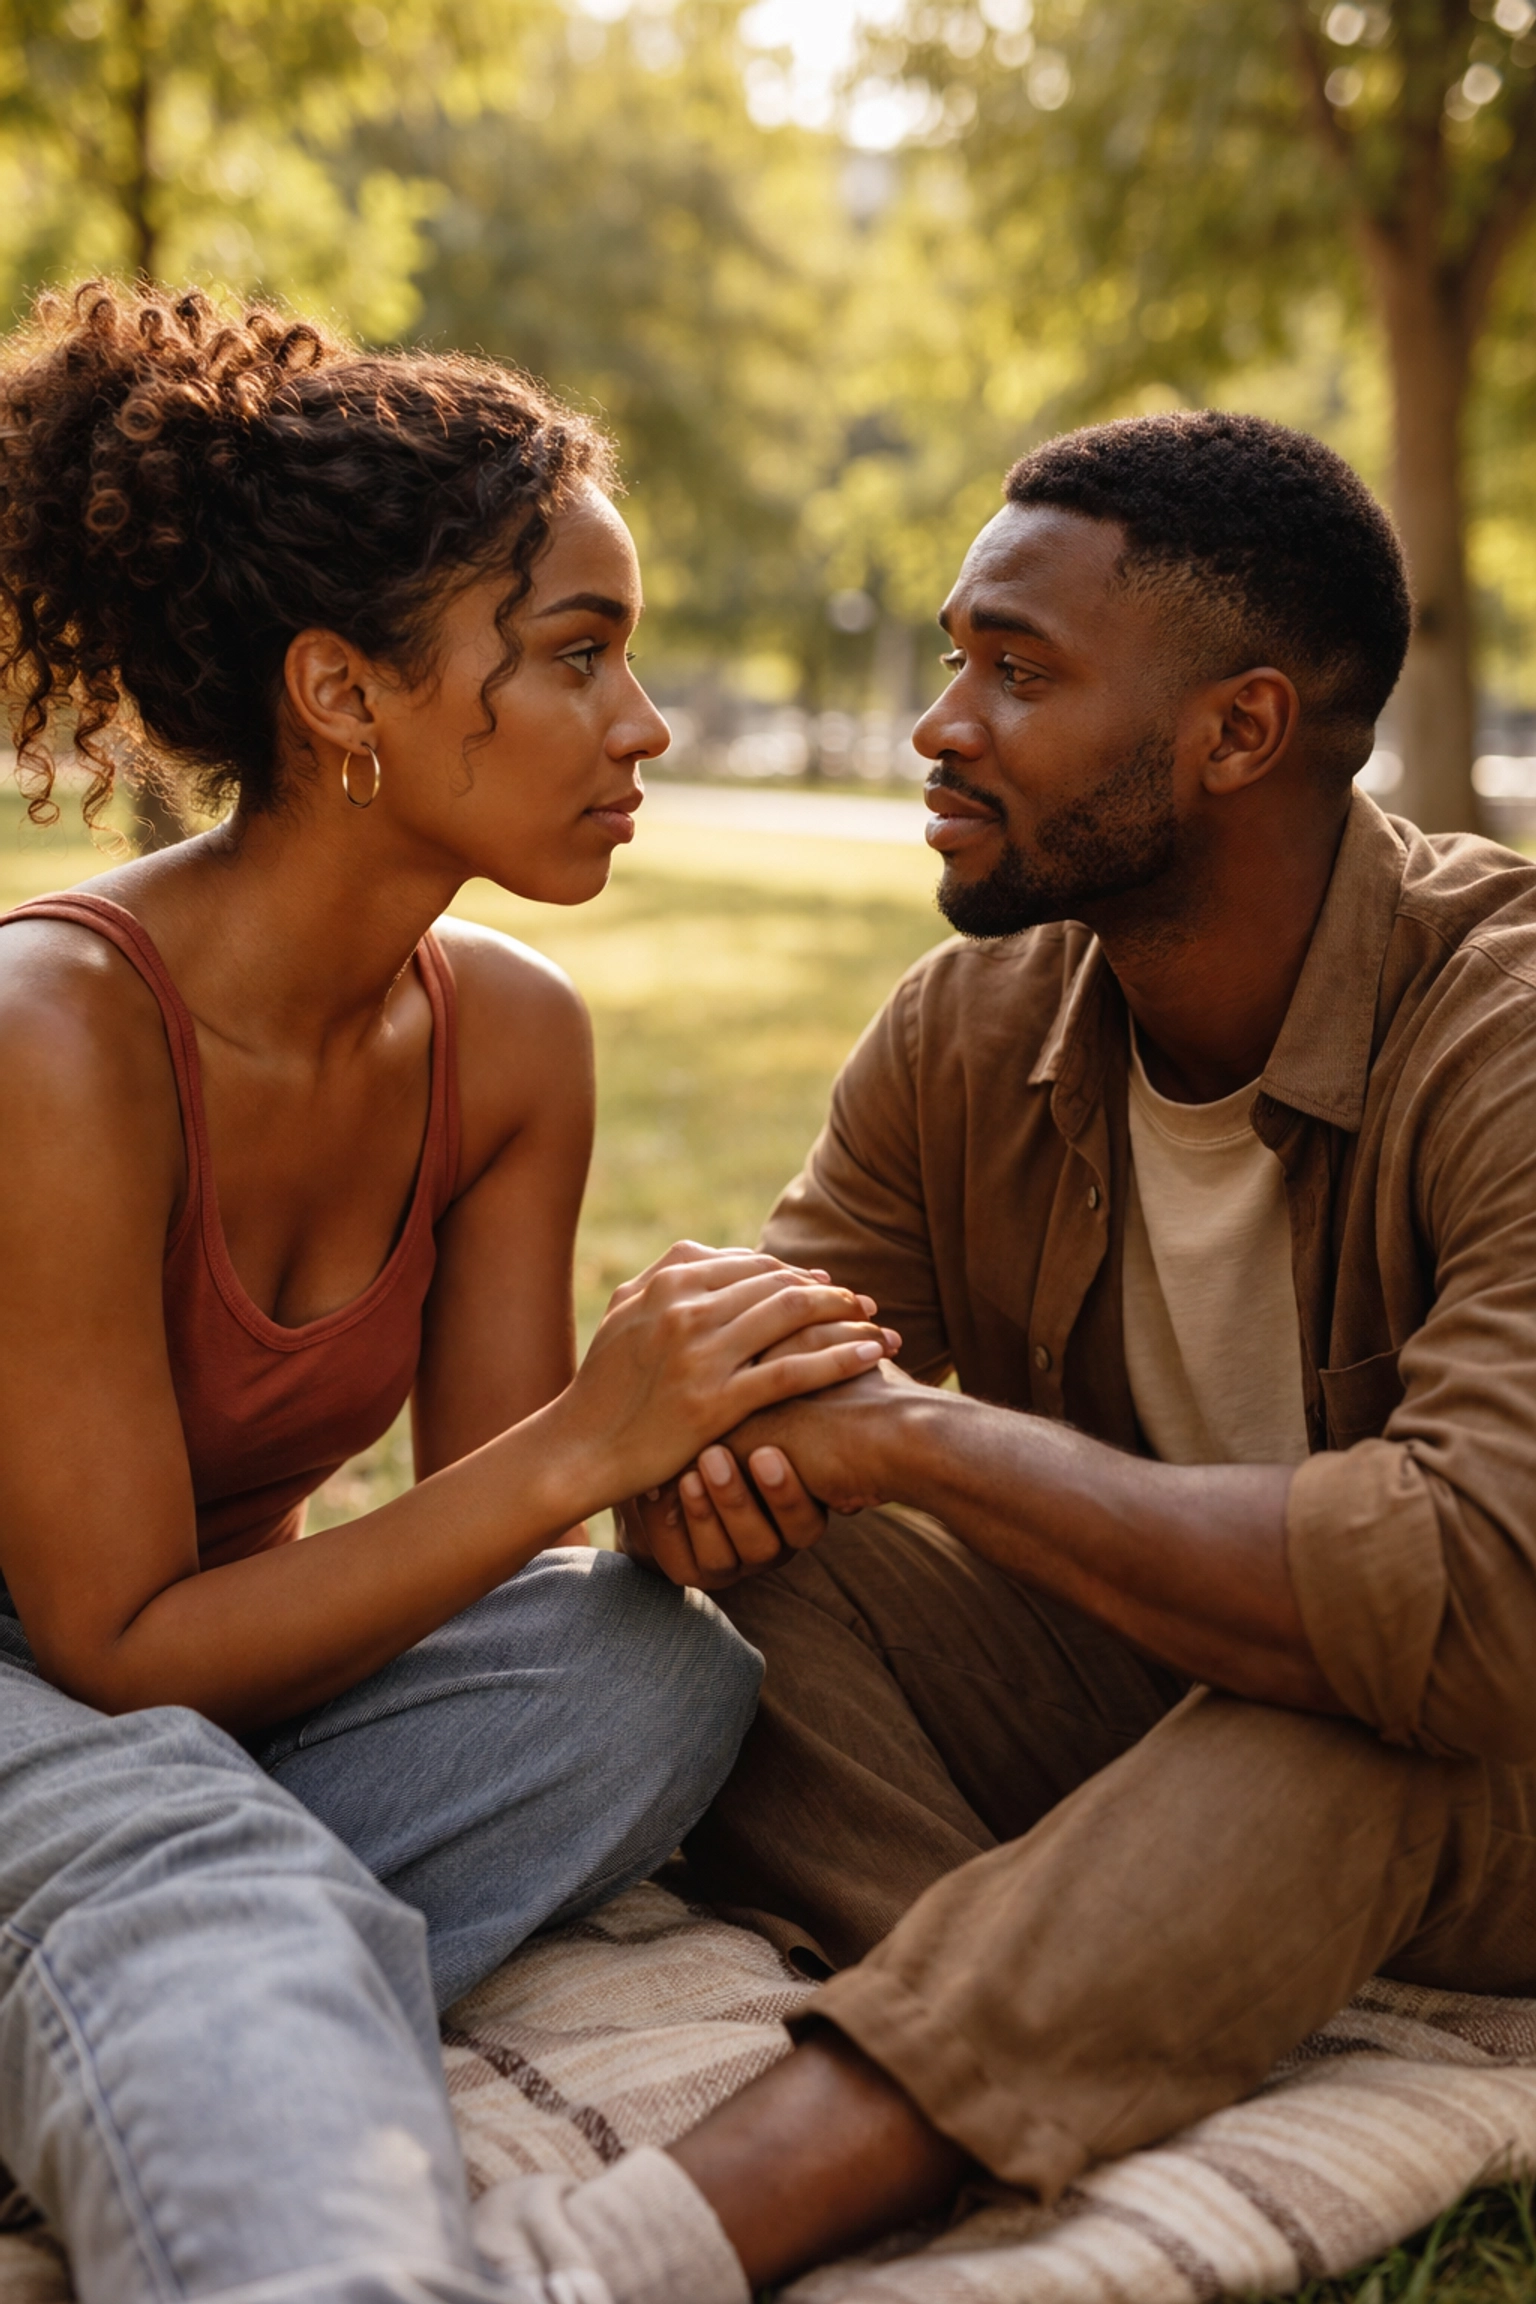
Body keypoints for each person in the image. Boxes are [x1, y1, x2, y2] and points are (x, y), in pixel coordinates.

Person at [466, 410, 1536, 2304]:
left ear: (1239, 731)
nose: (940, 724)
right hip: (1153, 1738)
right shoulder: (971, 1028)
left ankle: (622, 2253)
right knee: (739, 1575)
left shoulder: (1504, 1027)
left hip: (1487, 1762)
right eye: (956, 656)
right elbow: (750, 1419)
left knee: (1345, 1694)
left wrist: (927, 1447)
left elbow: (1471, 1590)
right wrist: (726, 1448)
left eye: (1015, 673)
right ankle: (1087, 1995)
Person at [0, 280, 900, 2304]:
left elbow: (504, 1548)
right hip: (52, 1683)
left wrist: (681, 1446)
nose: (643, 726)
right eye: (578, 657)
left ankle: (117, 2005)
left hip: (189, 1699)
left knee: (654, 1676)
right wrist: (589, 1432)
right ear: (345, 696)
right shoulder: (54, 1037)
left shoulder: (510, 1039)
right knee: (208, 1873)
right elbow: (112, 1649)